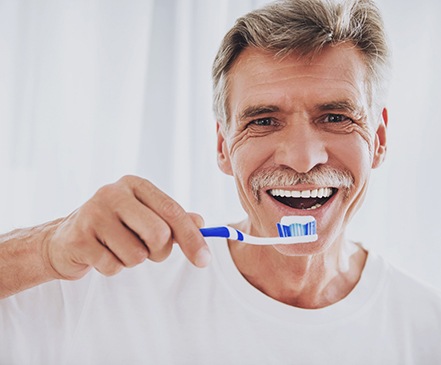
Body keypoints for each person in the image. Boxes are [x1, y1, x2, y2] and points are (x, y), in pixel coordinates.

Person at [1, 0, 440, 363]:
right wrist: (44, 248)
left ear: (378, 139)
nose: (303, 159)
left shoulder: (425, 331)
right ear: (223, 145)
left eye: (336, 117)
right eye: (264, 120)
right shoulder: (109, 283)